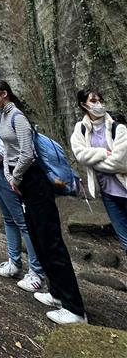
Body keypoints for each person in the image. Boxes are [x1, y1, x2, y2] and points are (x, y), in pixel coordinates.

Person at [0, 79, 86, 325]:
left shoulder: (17, 117)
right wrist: (11, 177)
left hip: (35, 182)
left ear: (4, 94)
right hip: (22, 183)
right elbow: (9, 152)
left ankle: (75, 309)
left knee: (50, 240)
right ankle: (56, 293)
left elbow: (27, 152)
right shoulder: (3, 116)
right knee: (38, 238)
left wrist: (16, 176)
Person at [0, 89, 45, 290]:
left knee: (21, 220)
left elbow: (2, 147)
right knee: (8, 218)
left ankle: (36, 271)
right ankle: (14, 262)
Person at [70, 89, 127, 254]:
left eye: (100, 100)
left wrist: (95, 162)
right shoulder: (80, 129)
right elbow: (80, 155)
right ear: (83, 105)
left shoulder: (118, 128)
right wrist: (103, 153)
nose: (99, 104)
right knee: (124, 238)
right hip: (108, 193)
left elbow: (120, 163)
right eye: (94, 101)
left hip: (125, 188)